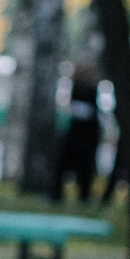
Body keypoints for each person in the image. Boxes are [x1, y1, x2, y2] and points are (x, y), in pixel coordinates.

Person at [56, 65, 101, 202]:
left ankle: (84, 196)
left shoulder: (92, 89)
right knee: (64, 164)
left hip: (87, 135)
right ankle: (57, 194)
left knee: (85, 167)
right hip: (76, 133)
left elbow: (92, 112)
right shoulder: (75, 87)